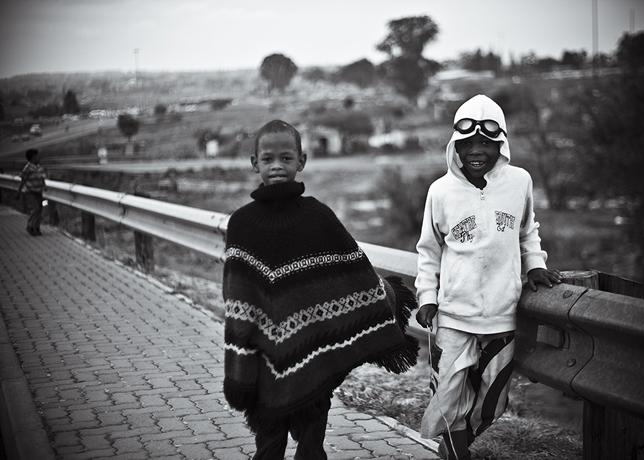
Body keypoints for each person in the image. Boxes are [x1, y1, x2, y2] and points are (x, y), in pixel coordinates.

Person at [222, 119, 419, 460]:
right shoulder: (241, 224)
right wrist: (239, 369)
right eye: (268, 159)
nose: (277, 166)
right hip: (264, 365)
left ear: (301, 161)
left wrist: (386, 294)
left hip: (315, 357)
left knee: (311, 449)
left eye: (286, 158)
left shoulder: (318, 217)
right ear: (255, 163)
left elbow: (352, 270)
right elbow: (237, 300)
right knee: (268, 449)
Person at [414, 95, 562, 460]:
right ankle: (456, 451)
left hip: (502, 315)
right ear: (455, 146)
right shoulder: (440, 191)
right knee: (448, 397)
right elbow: (429, 251)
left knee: (492, 401)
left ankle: (455, 444)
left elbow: (527, 231)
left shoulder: (519, 182)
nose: (476, 151)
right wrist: (427, 297)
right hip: (454, 316)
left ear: (502, 144)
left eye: (486, 143)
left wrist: (535, 265)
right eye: (467, 143)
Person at [15, 148, 47, 236]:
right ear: (33, 157)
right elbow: (23, 180)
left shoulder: (39, 167)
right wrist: (19, 191)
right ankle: (30, 225)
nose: (39, 157)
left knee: (39, 209)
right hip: (30, 192)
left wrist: (44, 185)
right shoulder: (27, 168)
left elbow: (42, 178)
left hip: (39, 191)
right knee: (35, 209)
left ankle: (36, 227)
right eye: (38, 156)